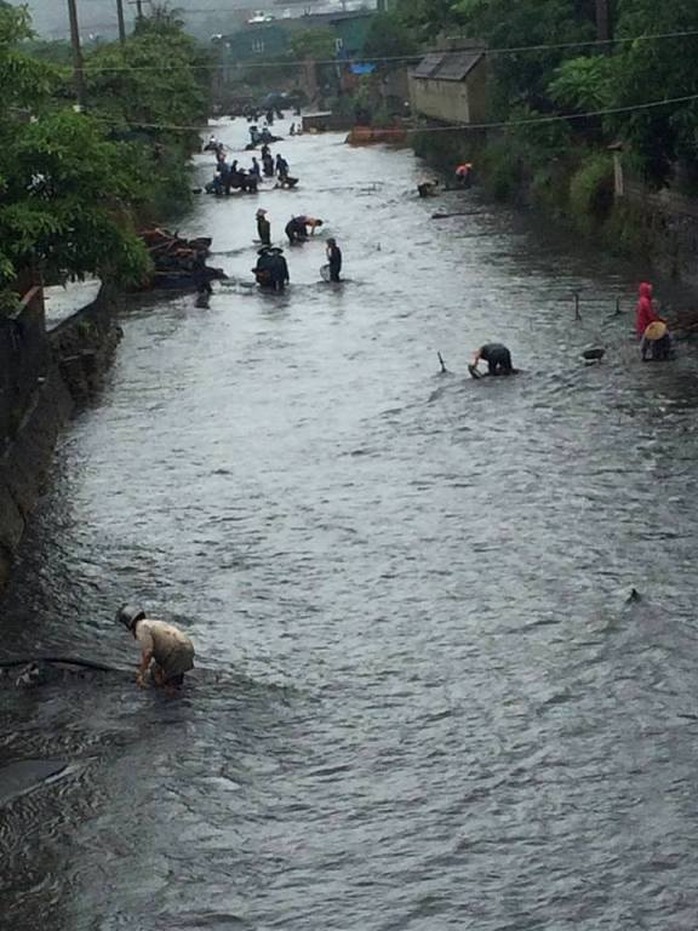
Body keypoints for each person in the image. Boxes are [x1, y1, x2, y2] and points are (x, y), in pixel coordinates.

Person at [116, 604, 195, 689]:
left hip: (175, 652)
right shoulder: (152, 623)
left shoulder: (141, 627)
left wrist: (141, 673)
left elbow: (148, 653)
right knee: (158, 670)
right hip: (186, 646)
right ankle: (168, 687)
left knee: (172, 688)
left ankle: (171, 695)